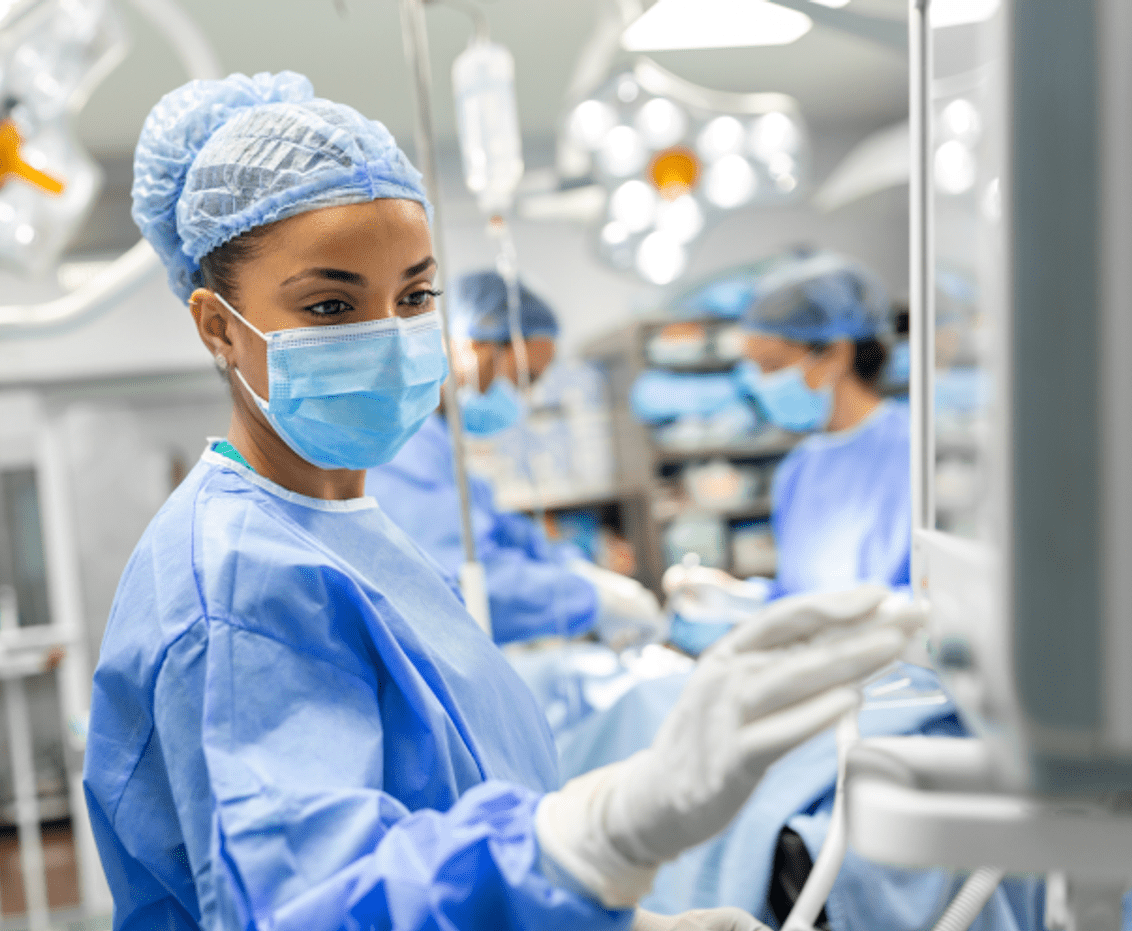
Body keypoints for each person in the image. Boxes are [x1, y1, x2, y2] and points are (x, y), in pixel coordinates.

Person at [83, 72, 917, 931]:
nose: (389, 337)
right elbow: (316, 906)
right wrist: (584, 844)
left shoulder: (343, 530)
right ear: (219, 326)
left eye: (414, 296)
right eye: (332, 305)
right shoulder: (236, 586)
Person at [366, 270, 661, 649]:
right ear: (476, 346)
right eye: (524, 378)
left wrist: (574, 567)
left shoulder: (439, 445)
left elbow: (502, 531)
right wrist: (591, 600)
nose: (525, 398)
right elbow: (469, 581)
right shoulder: (402, 450)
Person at [666, 254, 910, 650]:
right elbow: (802, 597)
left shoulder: (914, 453)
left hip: (898, 673)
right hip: (818, 671)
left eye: (771, 364)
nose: (759, 384)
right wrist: (739, 599)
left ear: (836, 354)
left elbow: (935, 601)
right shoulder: (799, 469)